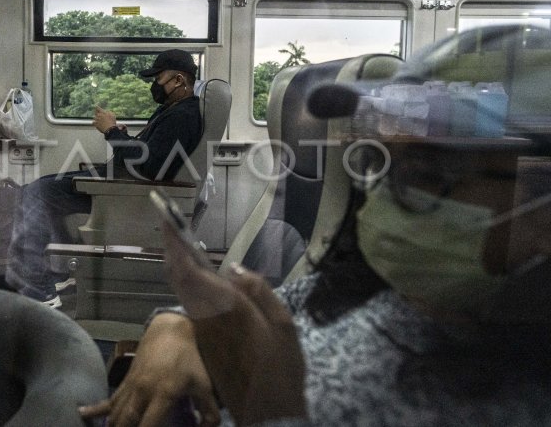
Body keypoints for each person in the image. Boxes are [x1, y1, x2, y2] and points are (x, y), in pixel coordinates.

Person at [80, 25, 551, 426]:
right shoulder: (369, 288)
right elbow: (289, 300)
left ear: (539, 202)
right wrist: (176, 326)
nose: (387, 204)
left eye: (432, 175)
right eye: (387, 170)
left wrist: (274, 414)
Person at [5, 49, 203, 307]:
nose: (154, 86)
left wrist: (110, 131)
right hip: (123, 181)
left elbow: (149, 166)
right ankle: (59, 274)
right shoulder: (173, 110)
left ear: (178, 80)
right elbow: (149, 152)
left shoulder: (182, 116)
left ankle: (38, 290)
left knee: (36, 193)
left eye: (158, 79)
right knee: (40, 191)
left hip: (127, 192)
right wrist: (124, 137)